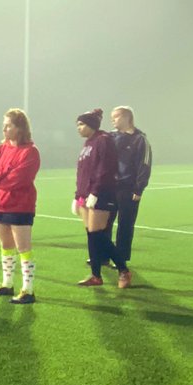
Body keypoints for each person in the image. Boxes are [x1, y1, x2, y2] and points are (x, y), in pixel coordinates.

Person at [0, 109, 41, 304]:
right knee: (6, 246)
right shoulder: (2, 148)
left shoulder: (30, 152)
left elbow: (19, 180)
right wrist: (2, 173)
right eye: (4, 125)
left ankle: (28, 290)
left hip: (20, 205)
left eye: (8, 125)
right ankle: (7, 285)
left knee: (23, 248)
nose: (4, 129)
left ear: (20, 128)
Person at [73, 108, 131, 289]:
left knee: (98, 235)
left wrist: (95, 192)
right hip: (86, 195)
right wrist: (77, 196)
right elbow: (82, 172)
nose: (78, 128)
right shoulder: (88, 143)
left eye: (81, 124)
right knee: (92, 235)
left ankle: (123, 270)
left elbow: (105, 169)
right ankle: (96, 276)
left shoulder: (103, 140)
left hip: (101, 194)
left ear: (91, 124)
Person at [107, 106, 151, 266]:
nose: (112, 120)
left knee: (125, 225)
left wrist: (139, 188)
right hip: (110, 188)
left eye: (116, 116)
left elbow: (144, 165)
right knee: (103, 223)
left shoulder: (140, 139)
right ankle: (103, 255)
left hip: (128, 189)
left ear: (127, 118)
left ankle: (120, 259)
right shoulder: (110, 137)